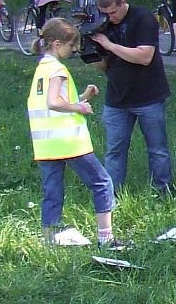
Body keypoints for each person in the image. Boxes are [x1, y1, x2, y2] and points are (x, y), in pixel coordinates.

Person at [26, 18, 128, 249]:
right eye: (71, 46)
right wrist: (80, 107)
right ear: (56, 43)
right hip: (69, 141)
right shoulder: (58, 70)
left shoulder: (42, 68)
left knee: (52, 191)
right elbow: (54, 102)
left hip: (46, 144)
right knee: (102, 183)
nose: (73, 51)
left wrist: (82, 97)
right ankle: (106, 238)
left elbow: (50, 102)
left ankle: (49, 239)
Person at [90, 0, 175, 197]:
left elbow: (144, 57)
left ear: (123, 2)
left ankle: (162, 191)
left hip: (148, 95)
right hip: (117, 97)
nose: (111, 17)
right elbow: (102, 67)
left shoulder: (143, 18)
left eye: (113, 12)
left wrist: (109, 45)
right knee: (114, 150)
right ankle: (111, 196)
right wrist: (91, 51)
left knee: (157, 149)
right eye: (105, 13)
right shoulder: (103, 25)